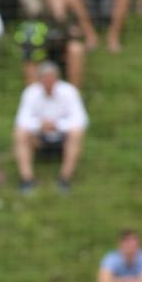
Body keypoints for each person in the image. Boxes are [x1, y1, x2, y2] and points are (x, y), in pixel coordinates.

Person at [13, 61, 87, 192]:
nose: (48, 82)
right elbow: (21, 120)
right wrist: (40, 125)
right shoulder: (31, 93)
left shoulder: (69, 91)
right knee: (20, 133)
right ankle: (27, 179)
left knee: (77, 133)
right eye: (45, 78)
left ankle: (65, 179)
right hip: (39, 138)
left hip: (62, 136)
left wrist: (57, 125)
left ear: (57, 78)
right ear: (40, 79)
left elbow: (80, 120)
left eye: (51, 78)